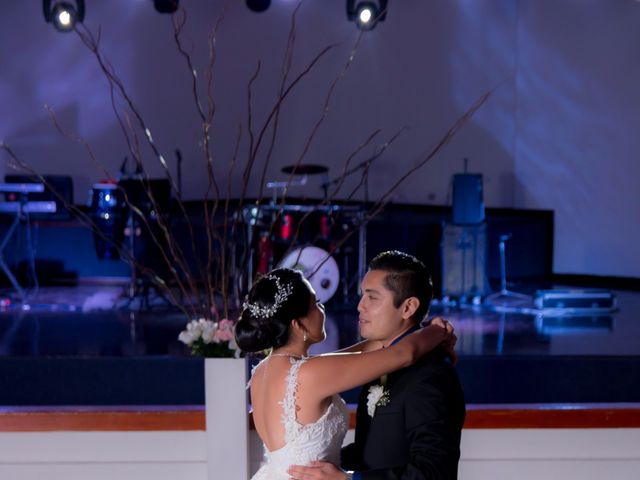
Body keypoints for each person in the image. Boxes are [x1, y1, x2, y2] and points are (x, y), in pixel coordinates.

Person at [234, 266, 456, 480]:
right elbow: (404, 354)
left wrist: (419, 328)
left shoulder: (263, 371)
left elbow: (367, 349)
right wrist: (439, 330)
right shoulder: (310, 373)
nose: (322, 310)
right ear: (298, 324)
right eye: (316, 304)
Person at [288, 250, 465, 479]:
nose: (360, 306)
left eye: (372, 297)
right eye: (362, 295)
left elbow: (433, 473)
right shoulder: (380, 363)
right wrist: (320, 460)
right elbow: (374, 452)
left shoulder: (430, 374)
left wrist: (348, 479)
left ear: (408, 307)